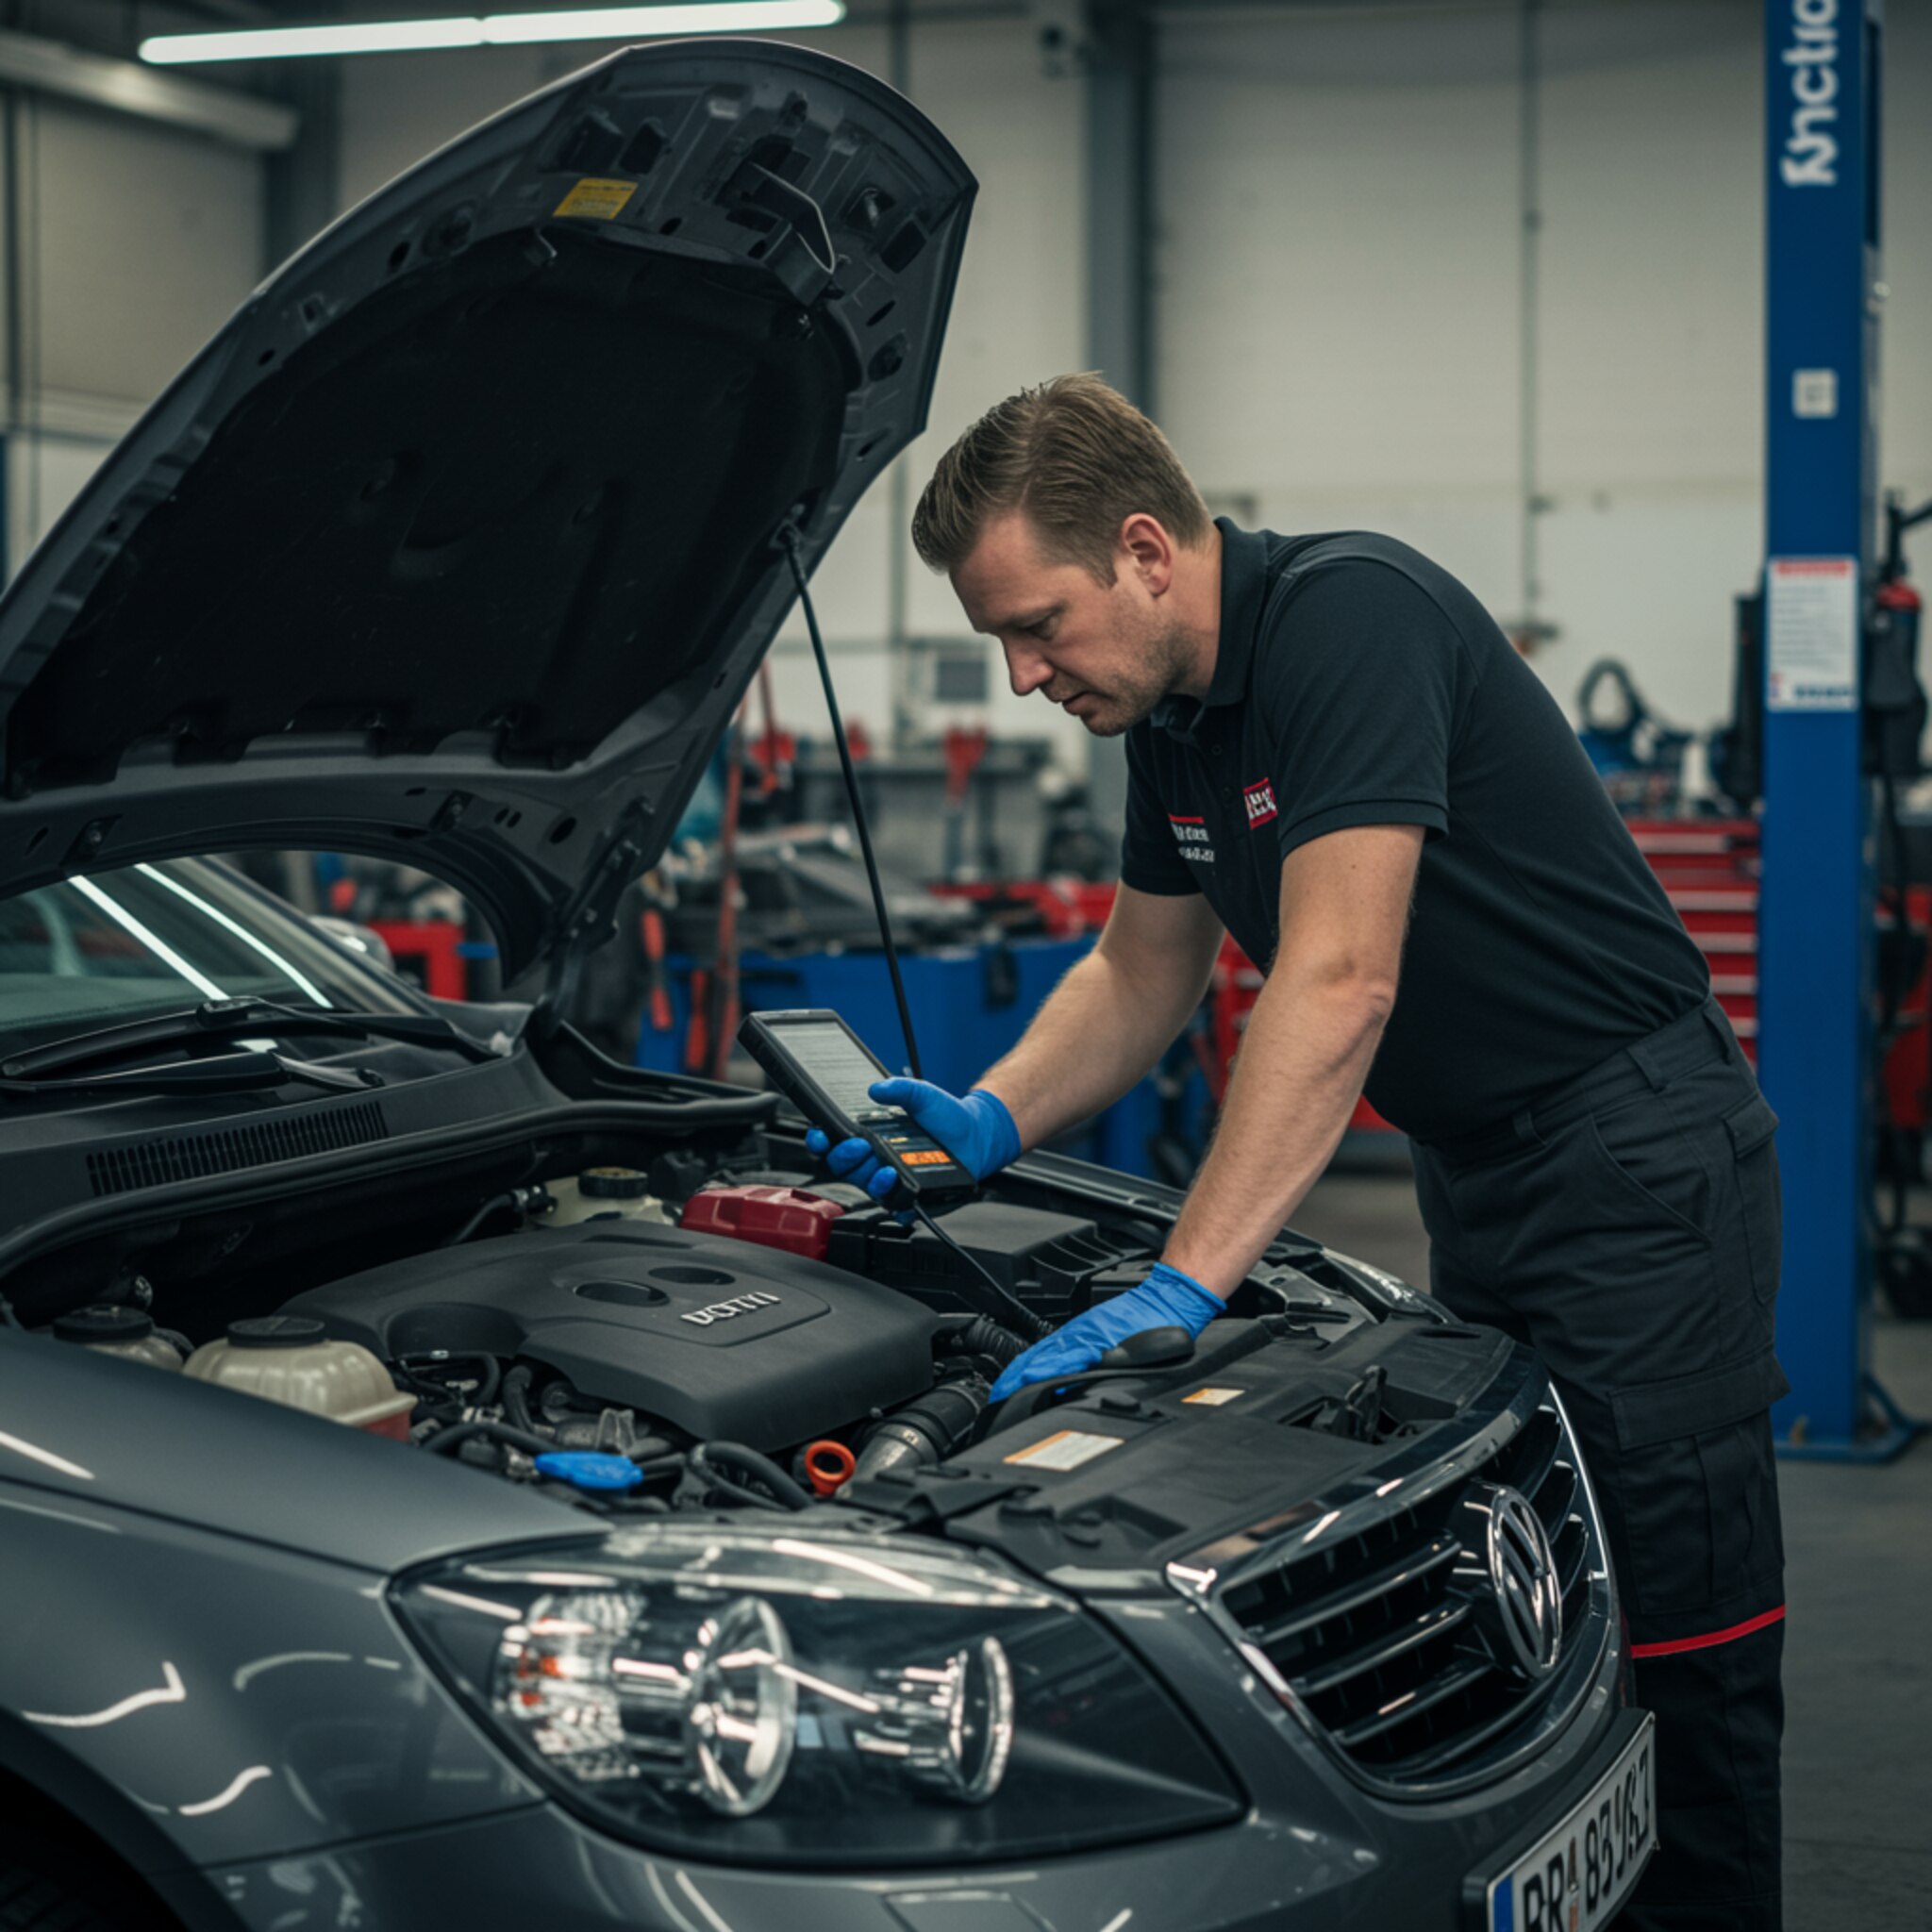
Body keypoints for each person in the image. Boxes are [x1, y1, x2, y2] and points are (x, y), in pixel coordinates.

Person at [808, 375, 1785, 1932]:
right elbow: (1141, 971)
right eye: (1002, 637)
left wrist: (1190, 1278)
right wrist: (990, 1117)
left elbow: (1340, 981)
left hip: (1633, 1158)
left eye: (1039, 622)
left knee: (1677, 1649)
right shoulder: (1174, 721)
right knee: (1532, 1601)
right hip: (1484, 1166)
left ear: (1144, 550)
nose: (1022, 672)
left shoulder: (1351, 620)